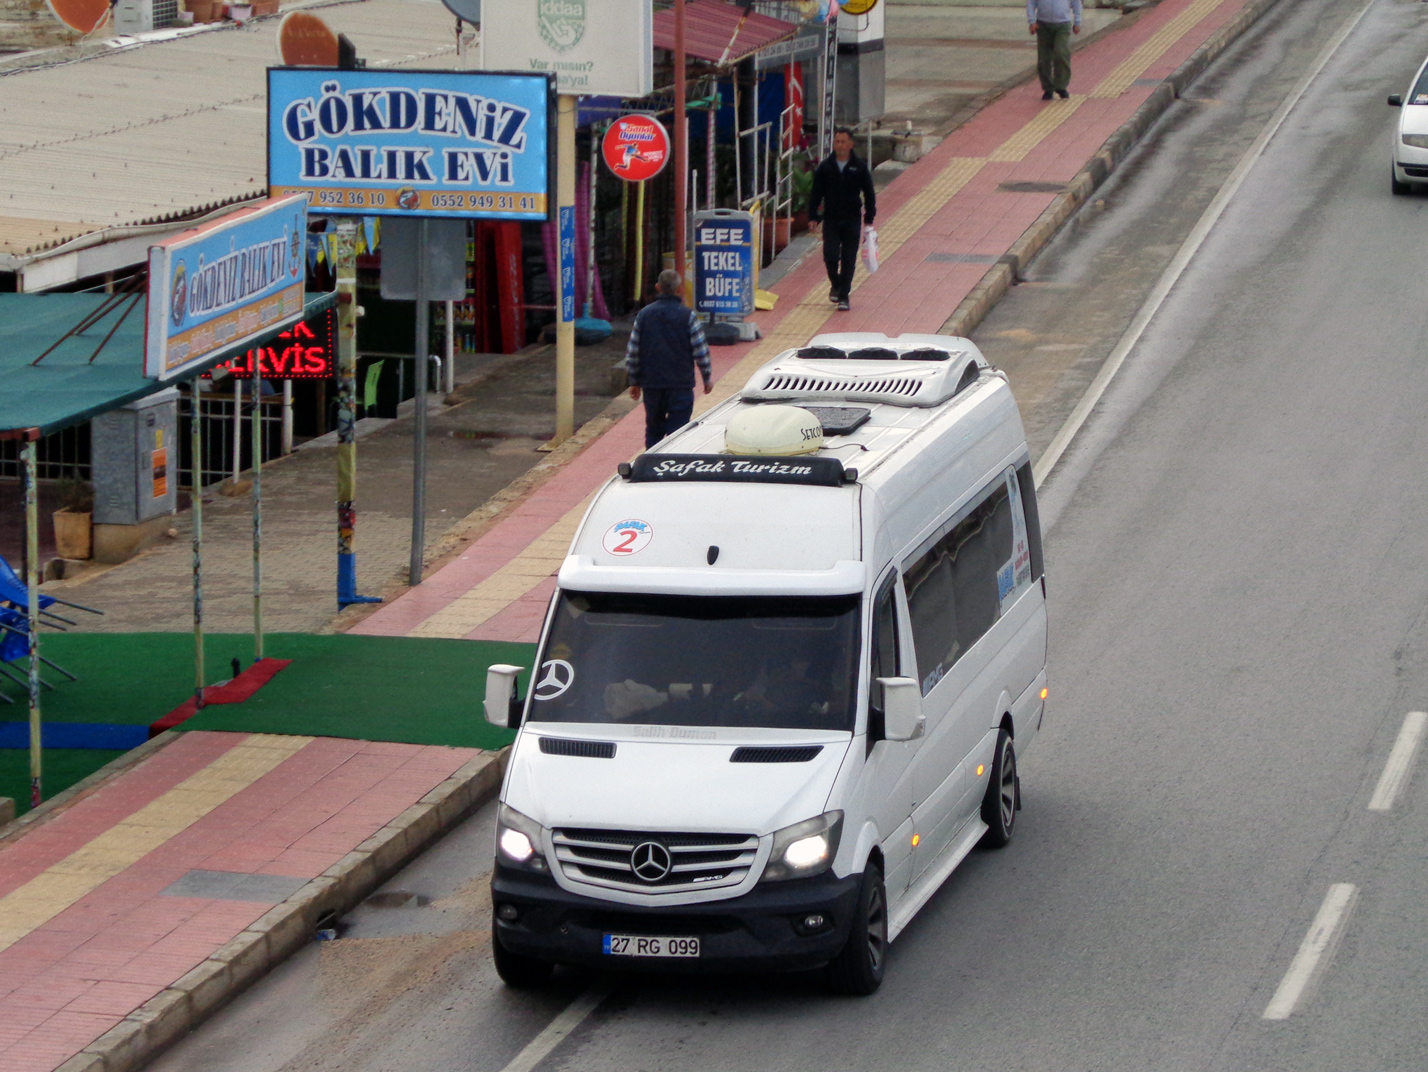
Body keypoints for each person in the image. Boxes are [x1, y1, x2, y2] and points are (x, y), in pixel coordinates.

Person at [625, 269, 712, 449]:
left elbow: (633, 351)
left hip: (652, 385)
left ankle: (652, 465)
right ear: (680, 289)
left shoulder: (643, 315)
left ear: (657, 288)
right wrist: (707, 378)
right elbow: (700, 351)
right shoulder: (688, 316)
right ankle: (674, 467)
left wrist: (634, 381)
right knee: (679, 432)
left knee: (654, 429)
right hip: (681, 385)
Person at [808, 128, 876, 312]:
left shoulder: (859, 167)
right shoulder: (825, 167)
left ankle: (844, 295)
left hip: (852, 218)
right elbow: (816, 193)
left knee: (848, 258)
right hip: (831, 219)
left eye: (843, 142)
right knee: (830, 256)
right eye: (837, 142)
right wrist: (813, 216)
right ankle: (835, 283)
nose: (840, 145)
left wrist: (869, 218)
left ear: (851, 144)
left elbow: (869, 193)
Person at [1027, 0, 1081, 101]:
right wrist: (1032, 21)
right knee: (1044, 58)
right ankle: (1048, 88)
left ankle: (1061, 85)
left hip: (1062, 25)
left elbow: (1076, 3)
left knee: (1061, 53)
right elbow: (1031, 2)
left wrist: (1077, 21)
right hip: (1043, 25)